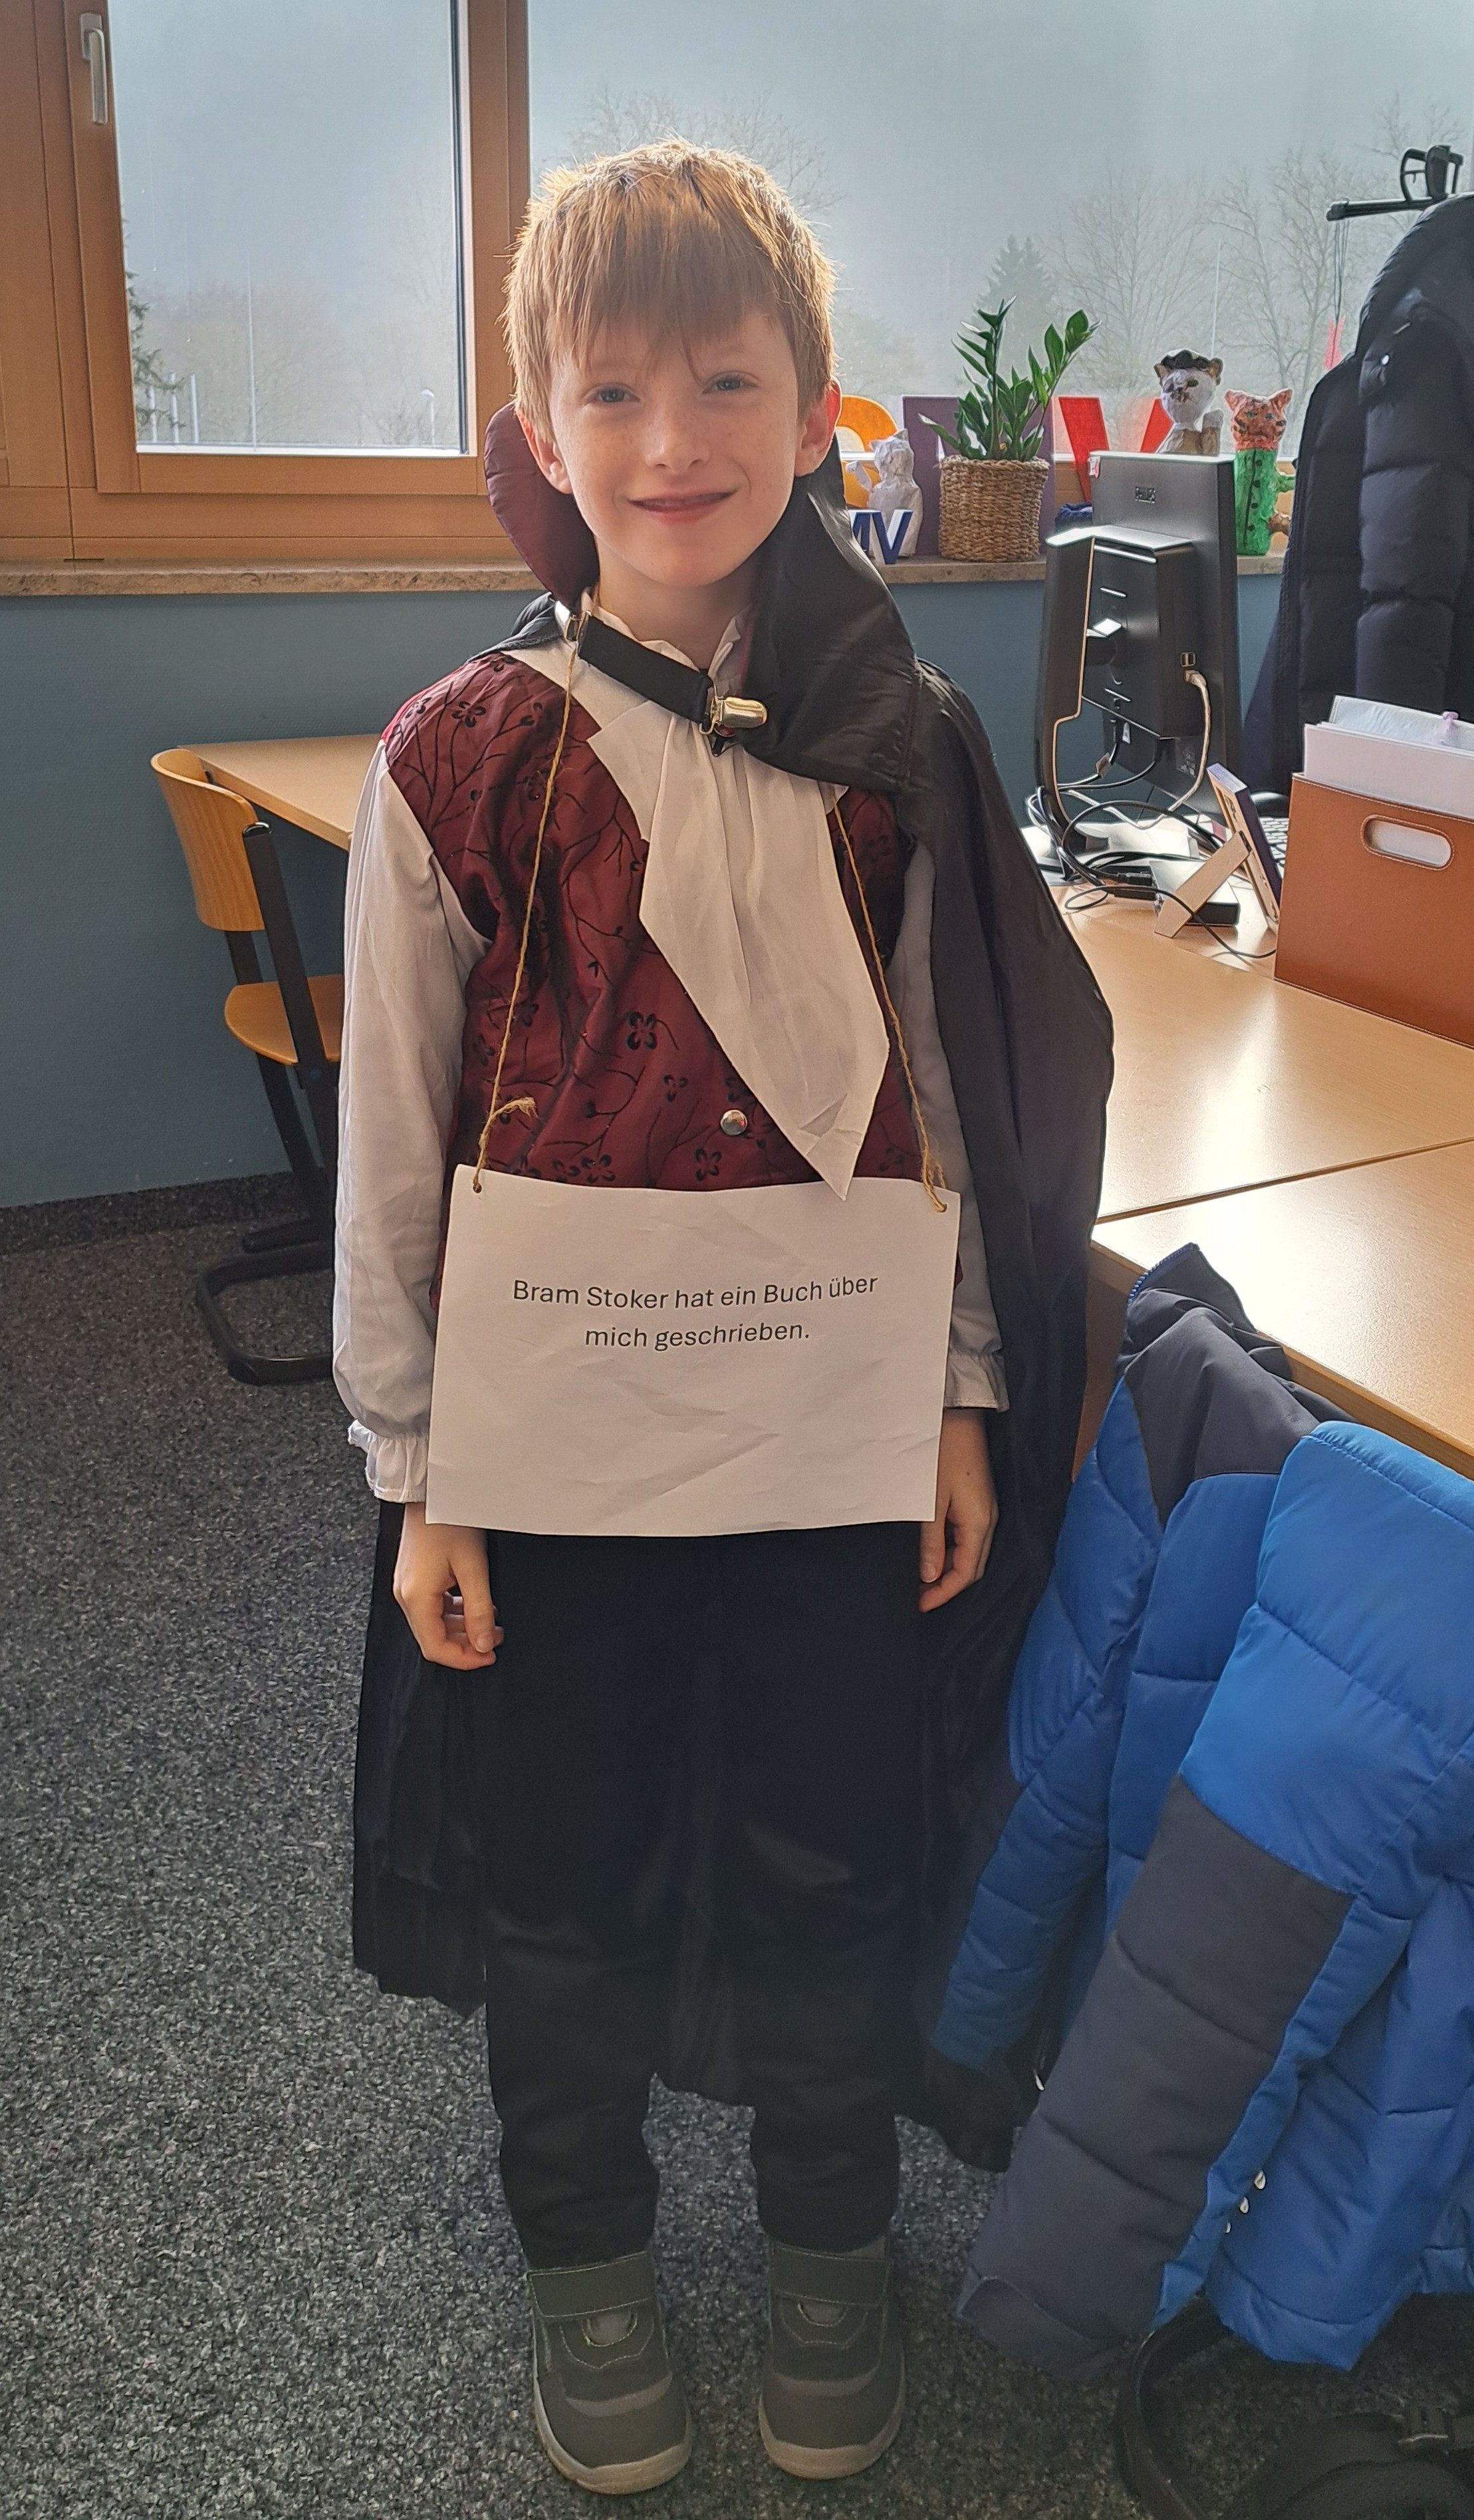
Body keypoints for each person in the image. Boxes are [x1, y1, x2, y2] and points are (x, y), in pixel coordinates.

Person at [335, 141, 1111, 2495]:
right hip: (552, 1451)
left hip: (828, 1432)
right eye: (612, 392)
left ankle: (826, 2238)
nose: (671, 440)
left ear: (815, 405)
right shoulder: (458, 758)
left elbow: (945, 1104)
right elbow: (392, 1156)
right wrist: (419, 1473)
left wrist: (959, 1393)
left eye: (725, 382)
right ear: (538, 433)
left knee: (827, 1845)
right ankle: (584, 2253)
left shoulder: (899, 750)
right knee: (560, 1854)